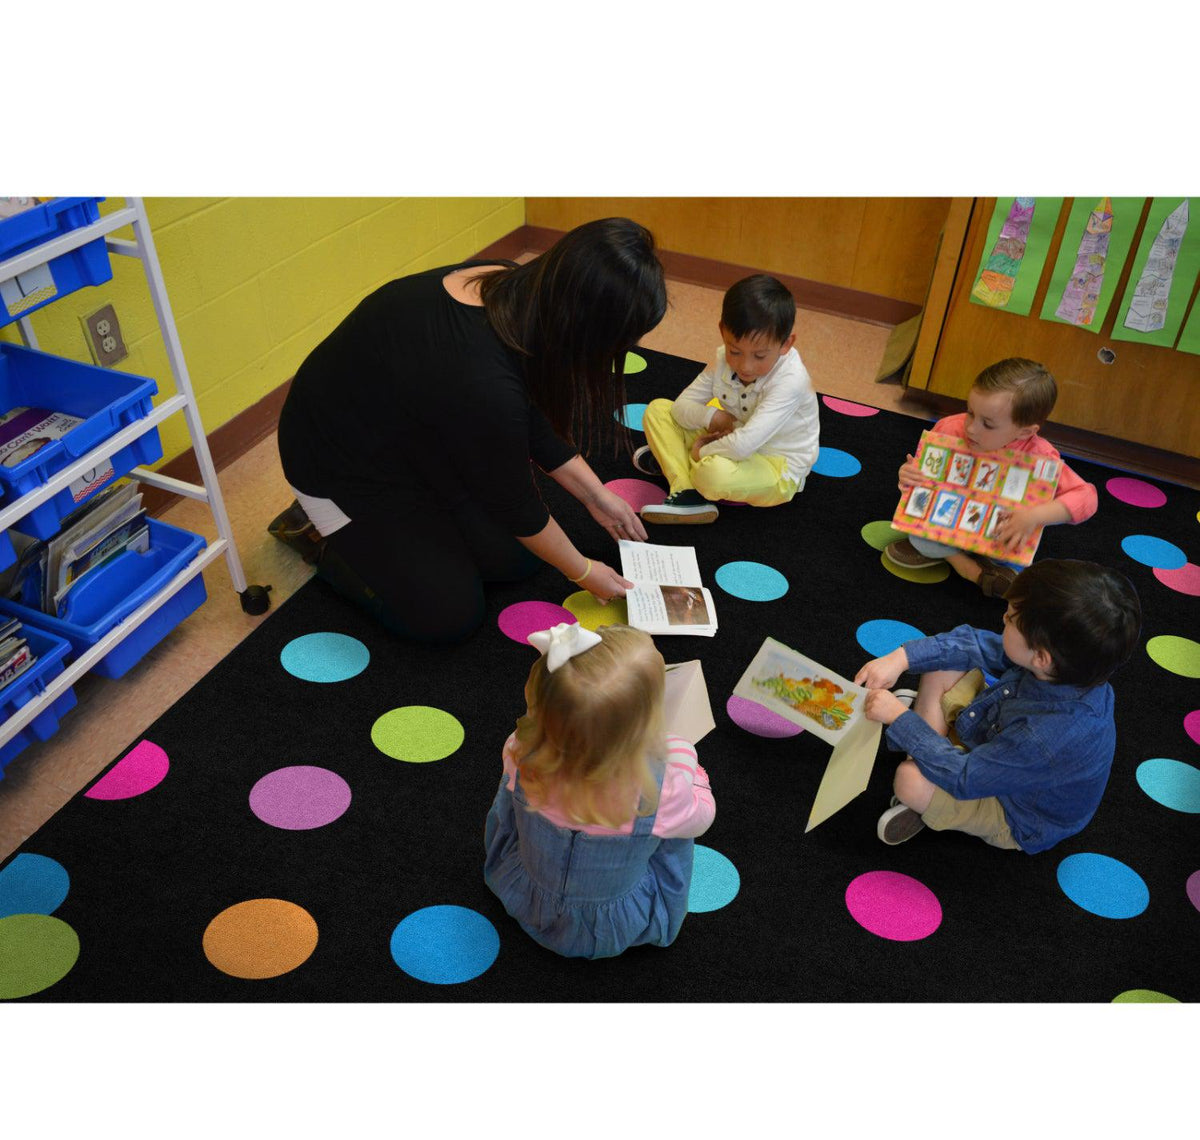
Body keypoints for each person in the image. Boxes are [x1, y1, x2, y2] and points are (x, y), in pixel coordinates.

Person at [271, 218, 668, 642]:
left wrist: (596, 495)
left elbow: (528, 412)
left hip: (417, 435)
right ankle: (316, 532)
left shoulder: (511, 286)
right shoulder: (482, 382)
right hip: (338, 465)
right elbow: (513, 500)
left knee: (518, 561)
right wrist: (584, 571)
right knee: (447, 616)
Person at [854, 558, 1141, 853]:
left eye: (1011, 619)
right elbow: (975, 644)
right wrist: (901, 658)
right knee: (944, 663)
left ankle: (925, 773)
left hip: (1015, 811)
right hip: (998, 743)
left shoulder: (1042, 737)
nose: (1003, 618)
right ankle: (928, 748)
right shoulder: (1064, 668)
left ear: (1041, 657)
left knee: (909, 781)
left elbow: (965, 777)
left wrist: (900, 719)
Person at [484, 621, 716, 959]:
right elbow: (702, 817)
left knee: (511, 792)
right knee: (676, 825)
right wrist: (684, 756)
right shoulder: (660, 789)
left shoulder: (520, 750)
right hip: (610, 926)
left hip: (526, 897)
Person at [886, 358, 1098, 598]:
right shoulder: (949, 429)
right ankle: (966, 567)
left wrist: (1034, 516)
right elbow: (924, 479)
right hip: (948, 521)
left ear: (1025, 431)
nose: (971, 428)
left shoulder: (1040, 457)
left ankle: (969, 561)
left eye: (987, 423)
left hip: (997, 534)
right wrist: (907, 475)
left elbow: (1087, 497)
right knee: (918, 535)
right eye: (970, 412)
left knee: (1011, 553)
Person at [634, 274, 820, 524]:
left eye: (760, 356)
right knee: (658, 410)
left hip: (776, 466)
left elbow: (743, 446)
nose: (745, 366)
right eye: (735, 351)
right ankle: (687, 490)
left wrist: (702, 451)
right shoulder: (722, 357)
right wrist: (714, 416)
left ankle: (678, 464)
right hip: (733, 437)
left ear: (786, 344)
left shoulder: (791, 381)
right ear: (722, 331)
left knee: (713, 475)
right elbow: (681, 407)